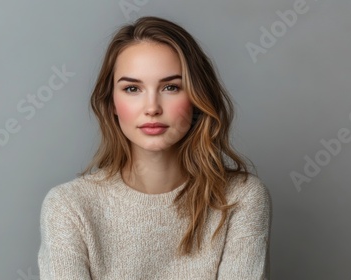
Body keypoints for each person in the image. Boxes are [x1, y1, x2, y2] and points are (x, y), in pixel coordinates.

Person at [38, 16, 272, 279]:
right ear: (112, 103)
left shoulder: (240, 198)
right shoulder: (69, 207)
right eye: (132, 88)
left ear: (197, 98)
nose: (152, 108)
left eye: (171, 87)